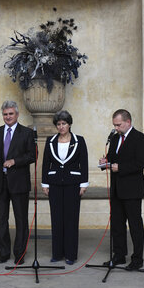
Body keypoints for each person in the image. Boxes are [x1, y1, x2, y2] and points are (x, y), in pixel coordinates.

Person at [0, 100, 36, 264]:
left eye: (11, 114)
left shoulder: (27, 133)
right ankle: (4, 252)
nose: (8, 117)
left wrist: (15, 161)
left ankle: (19, 253)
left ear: (17, 114)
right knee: (1, 219)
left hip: (19, 182)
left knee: (21, 219)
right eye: (5, 114)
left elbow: (32, 155)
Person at [98, 109, 144, 271]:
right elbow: (113, 158)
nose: (116, 128)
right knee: (117, 224)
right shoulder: (114, 138)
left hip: (132, 190)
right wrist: (105, 162)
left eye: (118, 125)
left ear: (128, 122)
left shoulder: (140, 138)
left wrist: (120, 167)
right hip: (116, 189)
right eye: (114, 125)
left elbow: (141, 163)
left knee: (135, 225)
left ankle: (137, 258)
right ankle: (119, 255)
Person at [41, 110, 89, 265]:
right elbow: (45, 163)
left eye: (64, 123)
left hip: (73, 184)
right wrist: (45, 183)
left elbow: (84, 163)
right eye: (59, 124)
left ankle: (70, 254)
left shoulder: (79, 140)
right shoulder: (50, 141)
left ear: (69, 124)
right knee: (56, 218)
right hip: (54, 184)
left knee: (71, 219)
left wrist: (83, 184)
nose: (61, 127)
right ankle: (57, 253)